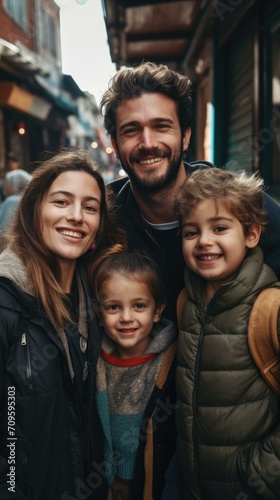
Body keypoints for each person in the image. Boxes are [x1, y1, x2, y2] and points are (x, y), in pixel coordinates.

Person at [100, 61, 280, 323]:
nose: (148, 143)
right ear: (115, 145)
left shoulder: (239, 201)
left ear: (185, 137)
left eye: (161, 126)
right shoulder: (103, 217)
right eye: (132, 130)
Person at [0, 150, 124, 500]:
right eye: (61, 201)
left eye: (89, 207)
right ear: (33, 210)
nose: (75, 216)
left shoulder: (96, 300)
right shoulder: (7, 302)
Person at [172, 167, 280, 499]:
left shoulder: (270, 309)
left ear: (251, 234)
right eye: (191, 232)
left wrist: (263, 473)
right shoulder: (184, 303)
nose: (205, 241)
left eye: (220, 228)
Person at [92, 247, 177, 500]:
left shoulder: (171, 361)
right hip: (107, 481)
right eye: (114, 307)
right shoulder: (94, 362)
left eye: (139, 306)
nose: (126, 317)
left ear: (158, 310)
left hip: (154, 482)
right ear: (98, 314)